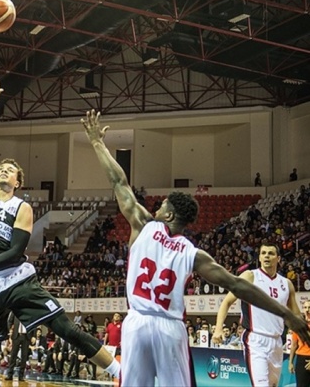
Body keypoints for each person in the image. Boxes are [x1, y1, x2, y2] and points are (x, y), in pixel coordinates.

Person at [80, 109, 310, 387]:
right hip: (169, 329)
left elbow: (119, 181)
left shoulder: (142, 225)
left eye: (162, 205)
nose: (157, 206)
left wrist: (96, 142)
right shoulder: (193, 254)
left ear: (169, 215)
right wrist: (285, 313)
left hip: (137, 324)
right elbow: (238, 286)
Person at [0, 77, 120, 387]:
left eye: (9, 170)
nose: (1, 170)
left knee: (66, 329)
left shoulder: (21, 207)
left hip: (16, 279)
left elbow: (13, 252)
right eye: (0, 167)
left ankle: (123, 374)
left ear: (18, 182)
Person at [212, 243, 302, 387]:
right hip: (255, 340)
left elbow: (297, 315)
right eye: (263, 253)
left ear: (278, 258)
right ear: (259, 257)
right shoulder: (250, 276)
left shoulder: (287, 284)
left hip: (277, 341)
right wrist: (218, 328)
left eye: (271, 253)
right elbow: (227, 302)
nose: (267, 256)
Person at [290, 301, 310, 387]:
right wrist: (290, 362)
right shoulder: (298, 325)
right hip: (301, 360)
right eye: (305, 307)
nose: (307, 310)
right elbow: (294, 345)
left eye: (309, 307)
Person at [5, 313, 30, 381]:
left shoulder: (29, 311)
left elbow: (34, 323)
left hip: (26, 336)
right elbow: (9, 321)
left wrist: (33, 335)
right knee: (13, 355)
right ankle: (10, 374)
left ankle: (21, 376)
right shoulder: (15, 311)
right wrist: (10, 329)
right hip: (16, 335)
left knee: (24, 356)